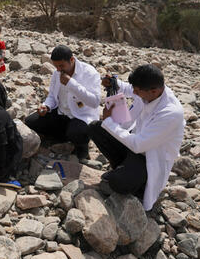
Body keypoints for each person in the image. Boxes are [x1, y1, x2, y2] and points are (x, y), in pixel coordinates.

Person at [88, 64, 185, 211]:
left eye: (137, 90)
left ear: (154, 90)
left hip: (149, 158)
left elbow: (139, 145)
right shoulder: (150, 91)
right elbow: (130, 89)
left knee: (117, 182)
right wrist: (114, 83)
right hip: (133, 145)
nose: (134, 92)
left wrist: (109, 121)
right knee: (95, 128)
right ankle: (121, 166)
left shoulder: (171, 112)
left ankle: (140, 185)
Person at [25, 45, 100, 160]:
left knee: (76, 133)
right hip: (61, 114)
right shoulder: (57, 73)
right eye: (56, 66)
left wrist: (71, 83)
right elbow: (52, 96)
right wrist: (46, 107)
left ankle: (80, 149)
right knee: (30, 122)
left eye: (61, 66)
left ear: (72, 60)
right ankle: (63, 138)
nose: (59, 69)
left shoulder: (89, 73)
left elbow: (94, 102)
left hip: (80, 116)